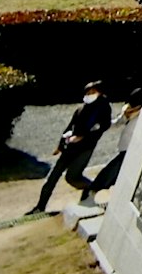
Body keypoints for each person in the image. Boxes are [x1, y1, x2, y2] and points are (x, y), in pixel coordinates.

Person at [34, 83, 115, 215]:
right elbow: (70, 127)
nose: (89, 95)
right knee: (52, 177)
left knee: (72, 177)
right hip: (70, 147)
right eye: (87, 93)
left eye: (92, 92)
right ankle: (40, 206)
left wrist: (83, 136)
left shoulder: (104, 108)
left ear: (99, 93)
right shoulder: (81, 109)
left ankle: (90, 189)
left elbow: (103, 126)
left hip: (85, 149)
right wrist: (60, 145)